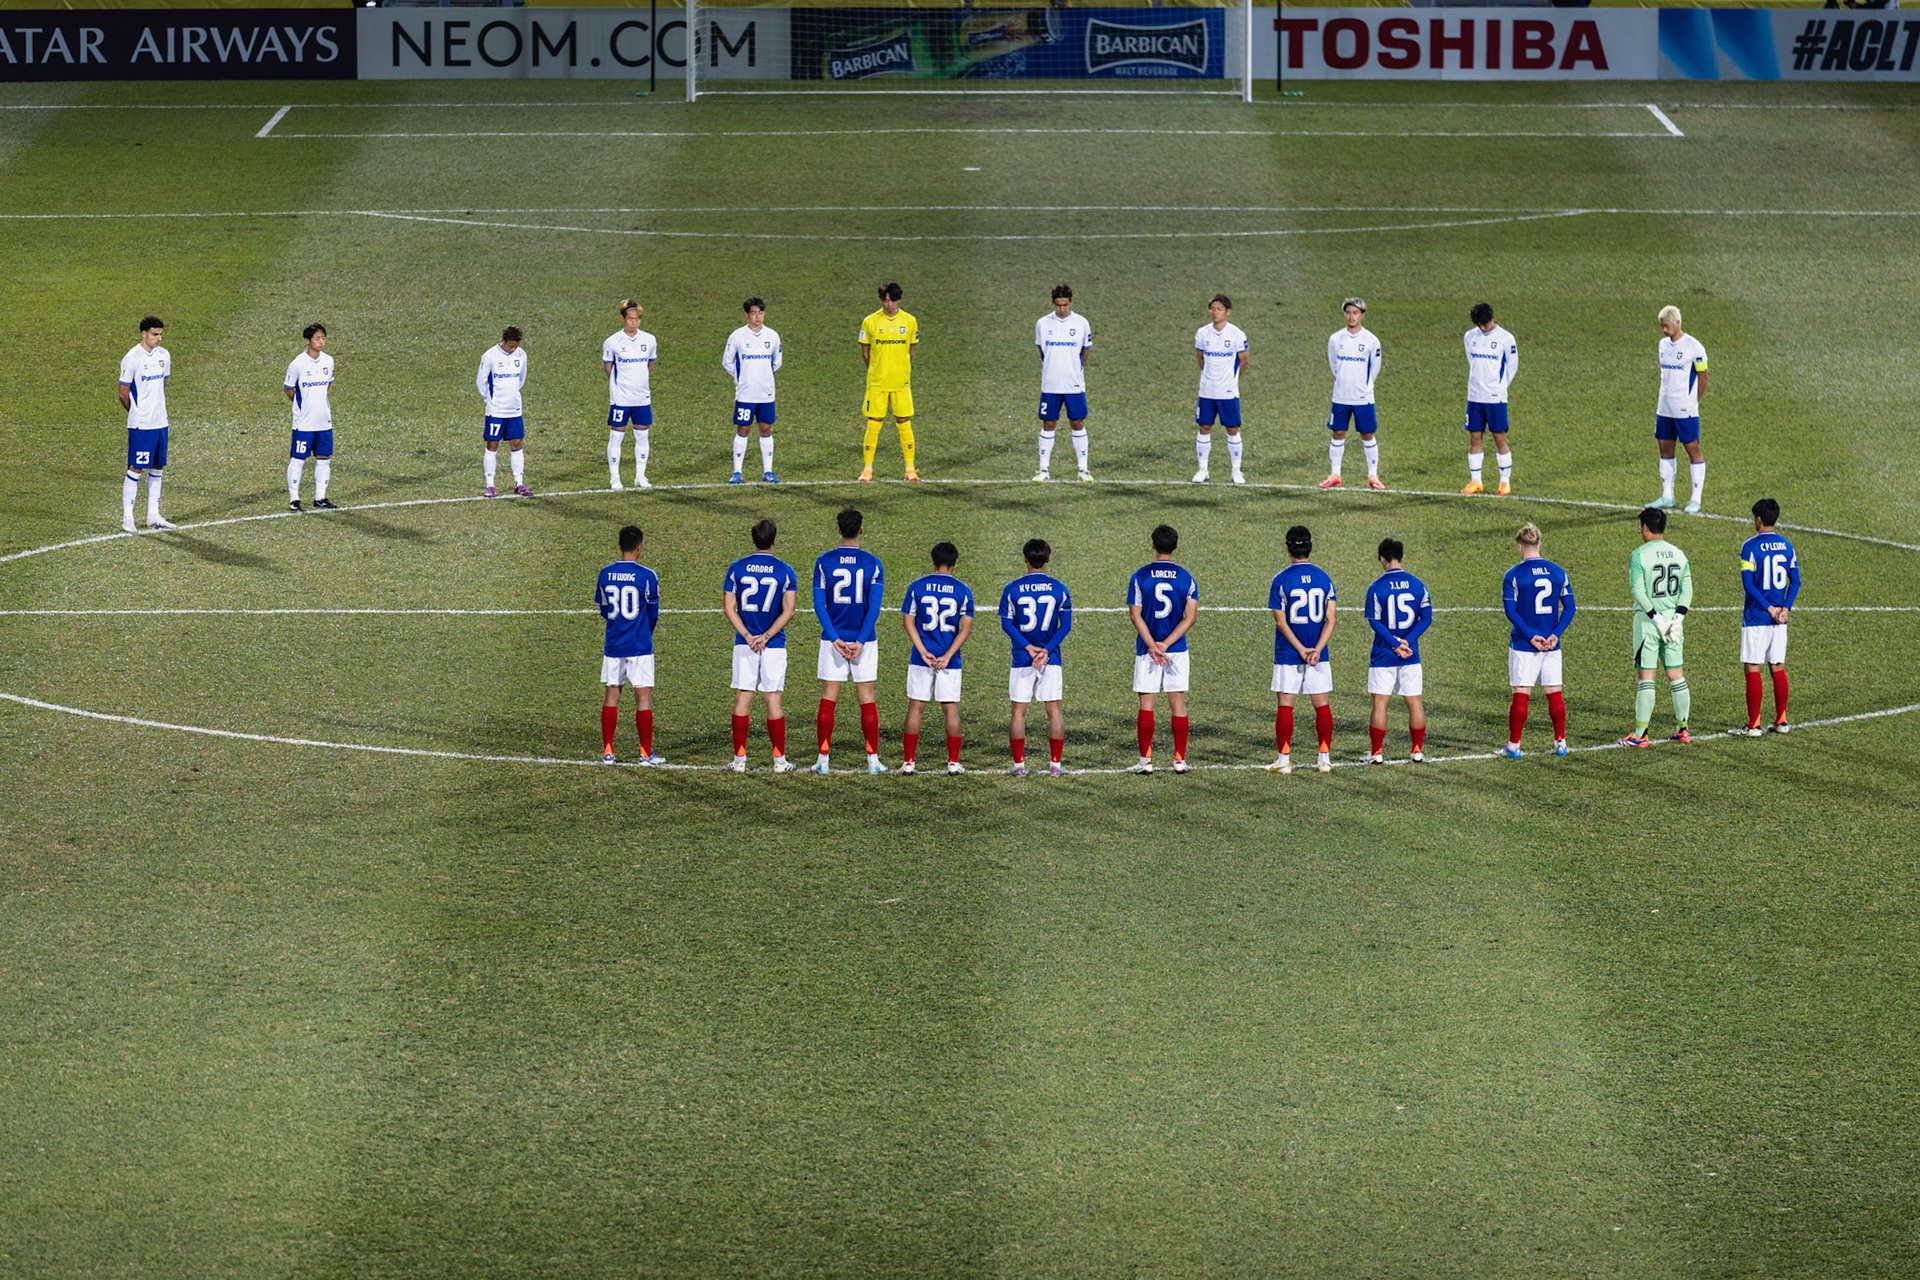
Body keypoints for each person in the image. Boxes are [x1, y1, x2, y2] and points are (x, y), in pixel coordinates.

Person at [813, 508, 887, 774]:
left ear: (839, 531)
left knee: (828, 700)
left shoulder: (824, 561)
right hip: (864, 643)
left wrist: (834, 639)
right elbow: (873, 608)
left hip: (832, 642)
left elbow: (820, 605)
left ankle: (823, 761)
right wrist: (861, 641)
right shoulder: (873, 563)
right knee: (866, 699)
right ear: (861, 530)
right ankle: (872, 761)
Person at [722, 518, 799, 772]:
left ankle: (740, 761)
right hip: (773, 644)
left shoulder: (737, 568)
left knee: (743, 698)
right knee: (773, 700)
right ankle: (779, 761)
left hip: (744, 645)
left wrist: (746, 635)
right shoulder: (785, 570)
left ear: (753, 540)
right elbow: (789, 611)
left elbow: (728, 608)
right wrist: (765, 637)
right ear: (775, 540)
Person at [1127, 525, 1199, 774]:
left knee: (1146, 704)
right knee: (1178, 704)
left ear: (1153, 545)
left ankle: (1145, 762)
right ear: (1176, 546)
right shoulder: (1186, 578)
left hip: (1146, 651)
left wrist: (1152, 645)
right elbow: (1190, 618)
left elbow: (1136, 617)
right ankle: (1179, 760)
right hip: (1175, 650)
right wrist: (1166, 645)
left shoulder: (1140, 576)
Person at [900, 542, 976, 776]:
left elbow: (908, 621)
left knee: (916, 708)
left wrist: (922, 651)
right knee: (951, 709)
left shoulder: (917, 586)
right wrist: (947, 656)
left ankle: (909, 762)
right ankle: (953, 762)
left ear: (933, 562)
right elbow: (966, 628)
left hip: (920, 658)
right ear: (954, 564)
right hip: (949, 661)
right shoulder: (963, 590)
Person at [1501, 522, 1576, 758]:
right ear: (1539, 544)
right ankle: (1560, 743)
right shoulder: (1558, 572)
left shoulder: (1513, 575)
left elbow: (1511, 612)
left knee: (1521, 694)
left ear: (1520, 547)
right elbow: (1570, 608)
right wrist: (1555, 634)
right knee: (1554, 693)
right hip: (1552, 644)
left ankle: (1514, 747)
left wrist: (1530, 636)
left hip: (1524, 644)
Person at [1621, 506, 1694, 747]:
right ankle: (1683, 729)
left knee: (1646, 677)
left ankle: (1640, 735)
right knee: (1676, 675)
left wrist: (1655, 618)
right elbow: (1687, 591)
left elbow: (1638, 591)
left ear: (1644, 527)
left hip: (1648, 624)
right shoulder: (1679, 554)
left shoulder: (1639, 555)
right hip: (1674, 622)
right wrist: (1676, 620)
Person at [1267, 525, 1337, 774]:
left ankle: (1284, 761)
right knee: (1321, 704)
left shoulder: (1280, 580)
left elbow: (1281, 621)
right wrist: (1316, 649)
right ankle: (1324, 759)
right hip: (1319, 655)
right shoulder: (1324, 578)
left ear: (1288, 548)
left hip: (1288, 652)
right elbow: (1331, 620)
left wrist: (1301, 649)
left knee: (1286, 704)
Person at [1000, 539, 1072, 777]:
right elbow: (1065, 626)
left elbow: (1007, 624)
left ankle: (1019, 766)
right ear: (1048, 559)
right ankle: (1055, 766)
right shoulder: (1059, 588)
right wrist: (1046, 650)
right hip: (1051, 659)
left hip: (1022, 658)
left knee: (1018, 712)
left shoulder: (1012, 588)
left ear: (1025, 559)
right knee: (1054, 712)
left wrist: (1028, 648)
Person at [596, 525, 663, 765]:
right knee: (643, 699)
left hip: (614, 646)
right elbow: (653, 613)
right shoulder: (647, 575)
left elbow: (604, 609)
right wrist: (645, 632)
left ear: (618, 546)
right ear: (639, 547)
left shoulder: (605, 574)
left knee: (611, 697)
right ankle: (645, 753)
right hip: (640, 646)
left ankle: (608, 751)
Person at [1363, 538, 1431, 764]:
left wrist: (1394, 643)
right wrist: (1407, 643)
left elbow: (1374, 622)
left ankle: (1377, 753)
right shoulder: (1418, 585)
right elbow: (1426, 618)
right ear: (1402, 558)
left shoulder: (1376, 588)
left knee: (1380, 704)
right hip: (1411, 655)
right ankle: (1417, 750)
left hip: (1384, 654)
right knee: (1414, 702)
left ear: (1382, 559)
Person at [1739, 497, 1799, 735]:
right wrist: (1785, 608)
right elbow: (1796, 581)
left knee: (1753, 668)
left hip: (1757, 617)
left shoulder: (1749, 547)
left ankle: (1753, 725)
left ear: (1759, 519)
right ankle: (1781, 721)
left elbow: (1748, 585)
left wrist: (1768, 608)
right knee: (1777, 666)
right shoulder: (1787, 546)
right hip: (1779, 620)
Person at [117, 315, 175, 532]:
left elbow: (163, 383)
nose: (159, 339)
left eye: (160, 334)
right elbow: (123, 393)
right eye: (154, 334)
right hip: (141, 425)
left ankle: (153, 516)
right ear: (144, 334)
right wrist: (137, 414)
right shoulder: (132, 358)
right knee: (136, 467)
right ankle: (128, 519)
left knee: (158, 466)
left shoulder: (164, 355)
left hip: (161, 421)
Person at [858, 282, 919, 483]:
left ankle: (910, 469)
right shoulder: (870, 322)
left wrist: (900, 369)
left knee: (904, 422)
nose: (888, 304)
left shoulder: (910, 321)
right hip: (877, 383)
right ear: (880, 300)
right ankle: (867, 470)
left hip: (901, 382)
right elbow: (865, 351)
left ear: (898, 299)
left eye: (892, 300)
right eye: (885, 300)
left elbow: (911, 350)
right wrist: (877, 369)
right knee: (874, 424)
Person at [1321, 298, 1384, 491]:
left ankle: (1373, 476)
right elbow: (1334, 365)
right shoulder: (1335, 339)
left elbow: (1375, 369)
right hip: (1340, 396)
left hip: (1363, 397)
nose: (1351, 316)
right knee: (1338, 433)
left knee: (1367, 434)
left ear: (1362, 315)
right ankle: (1335, 474)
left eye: (1355, 312)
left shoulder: (1371, 341)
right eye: (1348, 312)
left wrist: (1363, 386)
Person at [1032, 284, 1093, 483]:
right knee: (1049, 423)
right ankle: (1043, 470)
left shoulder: (1081, 323)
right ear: (1053, 303)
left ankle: (1083, 470)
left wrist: (1074, 369)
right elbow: (1041, 351)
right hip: (1050, 383)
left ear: (1071, 302)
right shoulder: (1043, 323)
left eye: (1065, 305)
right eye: (1058, 305)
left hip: (1074, 384)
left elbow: (1085, 351)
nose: (1062, 309)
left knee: (1077, 423)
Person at [1652, 304, 1708, 514]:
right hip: (1664, 407)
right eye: (1662, 327)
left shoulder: (1695, 347)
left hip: (1685, 409)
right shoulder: (1662, 345)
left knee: (1693, 450)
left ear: (1677, 323)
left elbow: (1703, 376)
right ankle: (1668, 496)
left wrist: (1693, 401)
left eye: (1666, 326)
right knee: (1665, 449)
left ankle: (1695, 499)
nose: (1664, 330)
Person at [1461, 302, 1518, 496]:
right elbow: (1473, 362)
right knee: (1474, 437)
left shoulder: (1506, 339)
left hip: (1496, 398)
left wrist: (1499, 388)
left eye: (1485, 324)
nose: (1482, 328)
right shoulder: (1470, 337)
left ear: (1493, 319)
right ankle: (1476, 481)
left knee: (1499, 437)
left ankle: (1504, 482)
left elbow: (1512, 366)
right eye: (1479, 325)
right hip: (1474, 396)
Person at [723, 297, 782, 484]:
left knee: (766, 429)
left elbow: (777, 362)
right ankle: (737, 472)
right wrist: (741, 378)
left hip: (766, 393)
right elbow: (727, 361)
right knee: (743, 429)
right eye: (754, 313)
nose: (758, 317)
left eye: (761, 313)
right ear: (746, 315)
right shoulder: (737, 336)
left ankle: (768, 472)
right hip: (746, 393)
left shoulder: (772, 336)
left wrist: (763, 377)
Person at [1193, 294, 1249, 485]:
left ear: (1228, 312)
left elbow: (1244, 360)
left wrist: (1232, 381)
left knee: (1232, 429)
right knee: (1204, 427)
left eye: (1219, 309)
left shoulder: (1237, 334)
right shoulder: (1202, 333)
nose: (1214, 312)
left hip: (1228, 392)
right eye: (1212, 309)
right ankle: (1202, 470)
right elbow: (1200, 358)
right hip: (1207, 391)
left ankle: (1236, 471)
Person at [602, 299, 657, 491]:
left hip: (642, 398)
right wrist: (621, 386)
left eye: (637, 319)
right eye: (631, 319)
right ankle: (615, 479)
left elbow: (650, 365)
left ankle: (640, 476)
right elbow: (608, 368)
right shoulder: (612, 342)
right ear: (622, 319)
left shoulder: (649, 340)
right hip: (621, 398)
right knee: (617, 437)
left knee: (643, 436)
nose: (634, 322)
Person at [284, 323, 337, 513]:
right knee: (298, 459)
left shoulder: (329, 361)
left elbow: (328, 386)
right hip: (304, 423)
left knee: (324, 459)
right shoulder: (297, 364)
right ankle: (294, 499)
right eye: (317, 338)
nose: (321, 341)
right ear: (307, 341)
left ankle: (320, 498)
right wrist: (302, 405)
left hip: (324, 421)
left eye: (323, 338)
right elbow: (288, 389)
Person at [477, 324, 530, 497]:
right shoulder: (490, 356)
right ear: (503, 341)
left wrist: (511, 395)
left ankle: (519, 483)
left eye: (516, 346)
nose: (514, 349)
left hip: (514, 410)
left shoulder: (521, 356)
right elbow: (481, 382)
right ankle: (490, 485)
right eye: (511, 346)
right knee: (492, 444)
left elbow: (521, 379)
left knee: (517, 444)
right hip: (496, 411)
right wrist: (491, 400)